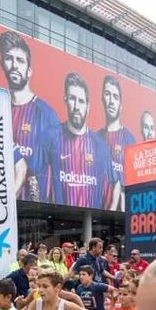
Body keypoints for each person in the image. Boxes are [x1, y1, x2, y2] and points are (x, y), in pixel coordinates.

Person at [0, 31, 60, 202]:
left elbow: (57, 169)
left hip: (35, 212)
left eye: (20, 60)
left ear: (29, 70)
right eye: (9, 59)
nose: (14, 65)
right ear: (2, 64)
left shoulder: (47, 115)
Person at [45, 72, 113, 208]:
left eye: (81, 101)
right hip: (55, 219)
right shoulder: (50, 137)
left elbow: (108, 189)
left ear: (88, 107)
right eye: (72, 98)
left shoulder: (100, 145)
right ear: (65, 99)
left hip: (95, 220)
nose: (76, 107)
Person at [98, 75, 135, 211]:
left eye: (115, 96)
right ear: (102, 99)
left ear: (121, 105)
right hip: (97, 207)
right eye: (108, 94)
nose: (111, 101)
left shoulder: (130, 139)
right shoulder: (95, 138)